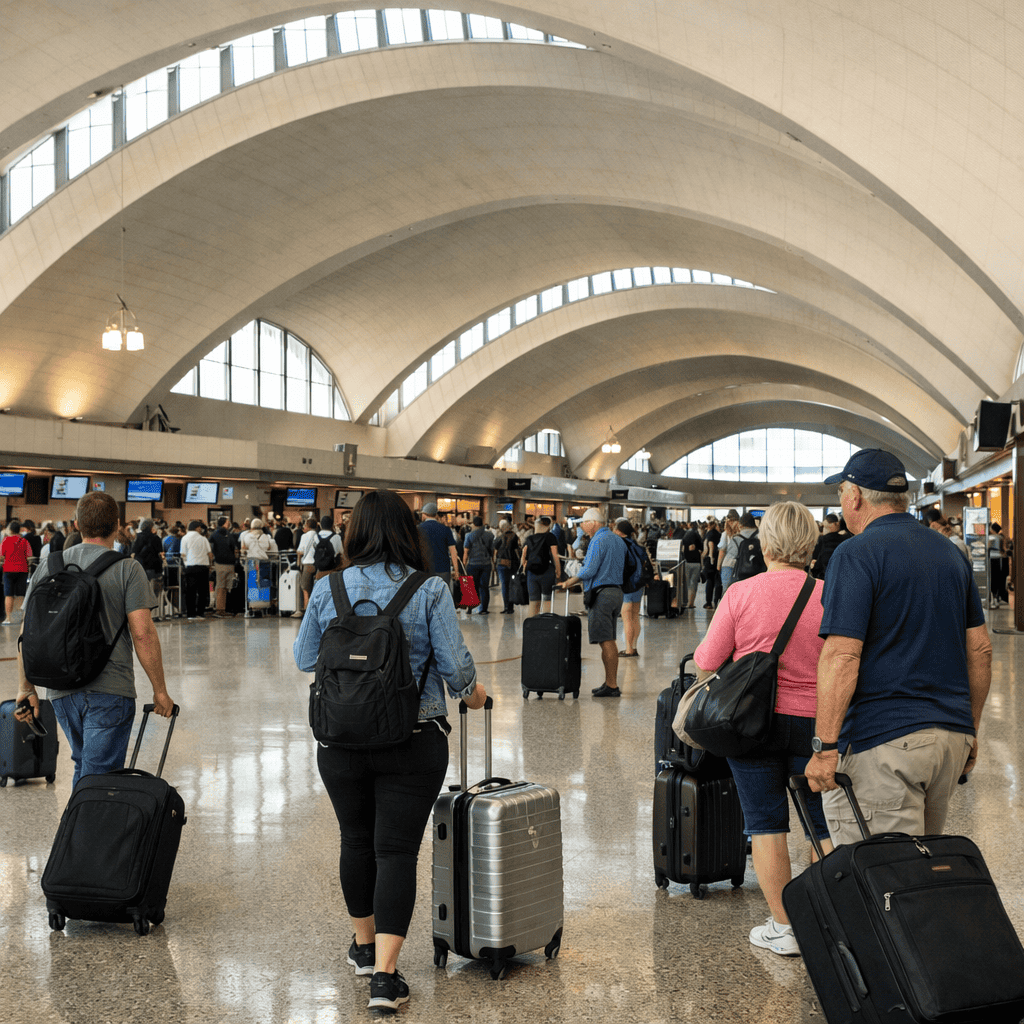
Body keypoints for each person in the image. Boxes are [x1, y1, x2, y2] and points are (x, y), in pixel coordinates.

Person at [292, 489, 486, 1013]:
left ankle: (361, 946)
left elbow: (305, 658)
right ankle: (385, 977)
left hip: (340, 739)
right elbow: (454, 666)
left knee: (355, 840)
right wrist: (476, 694)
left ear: (354, 533)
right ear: (409, 533)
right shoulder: (429, 590)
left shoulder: (328, 586)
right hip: (414, 737)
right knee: (395, 850)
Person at [806, 449, 992, 848]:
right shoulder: (950, 553)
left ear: (854, 496)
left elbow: (842, 655)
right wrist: (969, 729)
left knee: (879, 879)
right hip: (948, 740)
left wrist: (824, 747)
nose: (841, 501)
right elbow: (980, 650)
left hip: (884, 742)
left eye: (841, 492)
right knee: (914, 876)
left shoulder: (855, 554)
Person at [694, 501, 834, 956]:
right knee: (822, 825)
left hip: (752, 723)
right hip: (817, 724)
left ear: (765, 543)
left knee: (766, 825)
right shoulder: (829, 593)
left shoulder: (741, 593)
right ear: (811, 545)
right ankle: (826, 922)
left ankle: (785, 927)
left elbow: (706, 661)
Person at [13, 491, 174, 787]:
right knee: (100, 775)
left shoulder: (49, 566)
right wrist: (160, 690)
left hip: (61, 689)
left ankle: (75, 831)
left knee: (85, 764)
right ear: (116, 526)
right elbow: (142, 633)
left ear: (76, 524)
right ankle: (82, 833)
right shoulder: (128, 568)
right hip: (110, 689)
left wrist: (26, 687)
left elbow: (27, 634)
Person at [557, 508, 626, 697]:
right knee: (608, 638)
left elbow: (589, 570)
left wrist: (568, 582)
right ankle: (609, 682)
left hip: (601, 594)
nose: (581, 526)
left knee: (606, 641)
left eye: (584, 523)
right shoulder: (618, 539)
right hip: (616, 592)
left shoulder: (598, 540)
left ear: (593, 523)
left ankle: (612, 685)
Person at [613, 519, 652, 657]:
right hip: (639, 584)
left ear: (619, 531)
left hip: (627, 585)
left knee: (627, 617)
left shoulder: (619, 545)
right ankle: (634, 647)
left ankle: (629, 649)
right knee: (634, 616)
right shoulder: (637, 545)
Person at [521, 516, 560, 617]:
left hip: (532, 573)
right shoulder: (550, 536)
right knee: (547, 600)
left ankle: (531, 626)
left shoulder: (529, 538)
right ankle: (545, 625)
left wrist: (525, 567)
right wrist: (558, 570)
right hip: (547, 571)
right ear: (548, 526)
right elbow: (555, 555)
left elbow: (523, 556)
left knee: (533, 602)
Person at [130, 517, 165, 620]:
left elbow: (134, 552)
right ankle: (154, 615)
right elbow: (160, 553)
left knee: (141, 591)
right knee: (154, 591)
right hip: (154, 567)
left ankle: (141, 614)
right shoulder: (156, 538)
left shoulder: (137, 537)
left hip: (140, 567)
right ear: (151, 527)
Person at [417, 502, 458, 588]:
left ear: (425, 514)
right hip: (443, 569)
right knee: (443, 596)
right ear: (436, 515)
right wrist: (456, 570)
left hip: (424, 569)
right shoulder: (446, 529)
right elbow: (453, 551)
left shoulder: (418, 529)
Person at [180, 519, 213, 621]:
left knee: (191, 591)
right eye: (199, 527)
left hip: (191, 567)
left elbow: (183, 554)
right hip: (203, 567)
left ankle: (191, 614)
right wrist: (210, 564)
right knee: (203, 591)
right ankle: (200, 613)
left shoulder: (185, 538)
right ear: (196, 528)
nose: (201, 529)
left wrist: (186, 563)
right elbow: (210, 554)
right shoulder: (203, 539)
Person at [463, 515, 495, 614]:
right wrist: (492, 561)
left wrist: (464, 563)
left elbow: (466, 551)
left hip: (473, 564)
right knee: (484, 586)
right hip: (486, 564)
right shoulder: (489, 535)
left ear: (474, 524)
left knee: (470, 586)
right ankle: (484, 609)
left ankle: (470, 608)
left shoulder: (469, 535)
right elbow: (492, 550)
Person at [2, 520, 32, 624]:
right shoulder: (24, 541)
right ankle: (18, 618)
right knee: (20, 595)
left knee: (8, 594)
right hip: (22, 570)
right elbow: (29, 555)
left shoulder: (6, 540)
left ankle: (8, 619)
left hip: (9, 570)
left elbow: (1, 555)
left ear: (10, 529)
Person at [209, 515, 240, 617]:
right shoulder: (228, 534)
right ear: (223, 523)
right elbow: (234, 548)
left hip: (220, 563)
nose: (229, 524)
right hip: (228, 564)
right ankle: (221, 609)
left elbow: (212, 549)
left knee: (222, 587)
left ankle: (220, 609)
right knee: (225, 587)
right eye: (227, 522)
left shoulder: (214, 534)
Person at [494, 521, 521, 613]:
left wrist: (494, 564)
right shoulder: (515, 537)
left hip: (502, 564)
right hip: (513, 564)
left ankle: (506, 607)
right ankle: (511, 607)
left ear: (502, 528)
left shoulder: (499, 538)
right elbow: (517, 551)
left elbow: (495, 553)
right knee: (512, 585)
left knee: (504, 586)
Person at [809, 514, 845, 579]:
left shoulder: (822, 540)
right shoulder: (845, 539)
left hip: (824, 575)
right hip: (840, 575)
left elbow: (815, 558)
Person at [679, 521, 702, 609]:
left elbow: (683, 548)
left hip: (686, 561)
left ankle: (683, 602)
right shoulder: (697, 535)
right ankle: (691, 603)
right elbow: (701, 549)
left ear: (689, 526)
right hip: (696, 562)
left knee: (685, 583)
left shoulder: (685, 535)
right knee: (694, 584)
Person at [716, 511, 741, 593]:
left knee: (726, 591)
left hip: (728, 564)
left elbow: (722, 551)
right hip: (741, 564)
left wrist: (718, 566)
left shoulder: (725, 534)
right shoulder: (742, 533)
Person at [702, 518, 722, 608]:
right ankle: (716, 599)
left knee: (709, 581)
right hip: (718, 559)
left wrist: (709, 556)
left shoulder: (710, 533)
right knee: (717, 580)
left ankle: (708, 602)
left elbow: (711, 545)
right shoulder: (719, 534)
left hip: (711, 560)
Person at [988, 522, 1008, 608]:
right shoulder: (1001, 537)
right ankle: (997, 598)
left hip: (991, 559)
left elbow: (987, 548)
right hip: (1000, 559)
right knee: (998, 578)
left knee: (991, 578)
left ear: (992, 530)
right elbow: (1004, 549)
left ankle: (992, 598)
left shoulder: (989, 537)